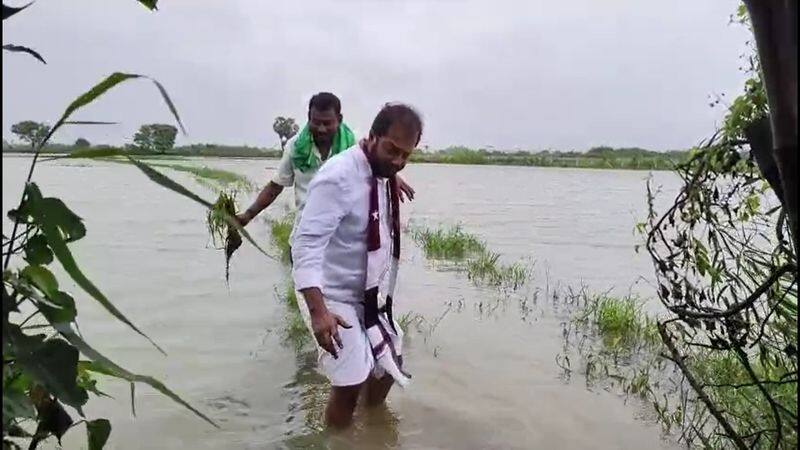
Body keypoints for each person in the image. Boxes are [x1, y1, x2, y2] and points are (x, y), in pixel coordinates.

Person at [291, 103, 423, 429]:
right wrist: (318, 311)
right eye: (392, 150)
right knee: (349, 382)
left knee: (389, 365)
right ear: (372, 136)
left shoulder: (381, 173)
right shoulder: (338, 177)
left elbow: (383, 174)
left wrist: (393, 174)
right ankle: (338, 439)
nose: (398, 160)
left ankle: (370, 425)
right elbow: (305, 245)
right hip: (330, 293)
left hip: (366, 294)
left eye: (406, 155)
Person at [236, 92, 415, 229]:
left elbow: (377, 163)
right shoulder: (295, 147)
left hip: (344, 239)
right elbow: (275, 187)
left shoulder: (354, 145)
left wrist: (392, 176)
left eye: (328, 123)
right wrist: (247, 215)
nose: (321, 129)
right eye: (316, 122)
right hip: (305, 234)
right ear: (309, 119)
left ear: (339, 120)